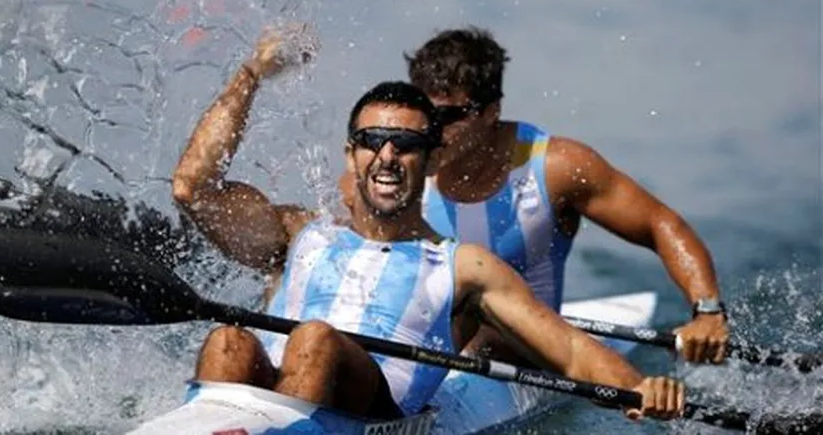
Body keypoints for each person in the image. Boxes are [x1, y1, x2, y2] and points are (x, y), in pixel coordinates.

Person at [169, 28, 685, 425]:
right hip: (264, 404)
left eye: (407, 146)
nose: (387, 157)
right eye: (372, 140)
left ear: (433, 158)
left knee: (316, 341)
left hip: (375, 413)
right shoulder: (299, 232)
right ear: (351, 154)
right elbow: (193, 188)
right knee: (228, 342)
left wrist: (642, 388)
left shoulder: (465, 266)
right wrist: (252, 74)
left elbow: (568, 349)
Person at [341, 26, 729, 366]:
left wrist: (707, 311)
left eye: (449, 116)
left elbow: (660, 225)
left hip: (520, 348)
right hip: (414, 345)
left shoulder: (557, 168)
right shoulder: (387, 172)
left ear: (491, 111)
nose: (431, 129)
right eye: (425, 112)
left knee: (482, 321)